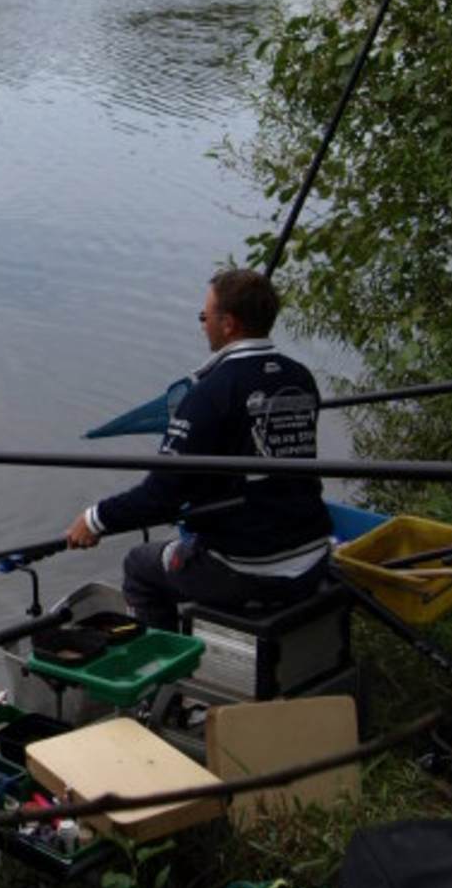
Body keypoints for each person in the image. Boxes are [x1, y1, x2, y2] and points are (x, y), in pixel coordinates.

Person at [64, 268, 332, 629]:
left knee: (140, 566)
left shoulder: (208, 394)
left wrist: (94, 519)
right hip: (314, 558)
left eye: (205, 316)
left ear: (229, 324)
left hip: (247, 569)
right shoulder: (299, 377)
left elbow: (160, 496)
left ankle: (163, 679)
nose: (202, 324)